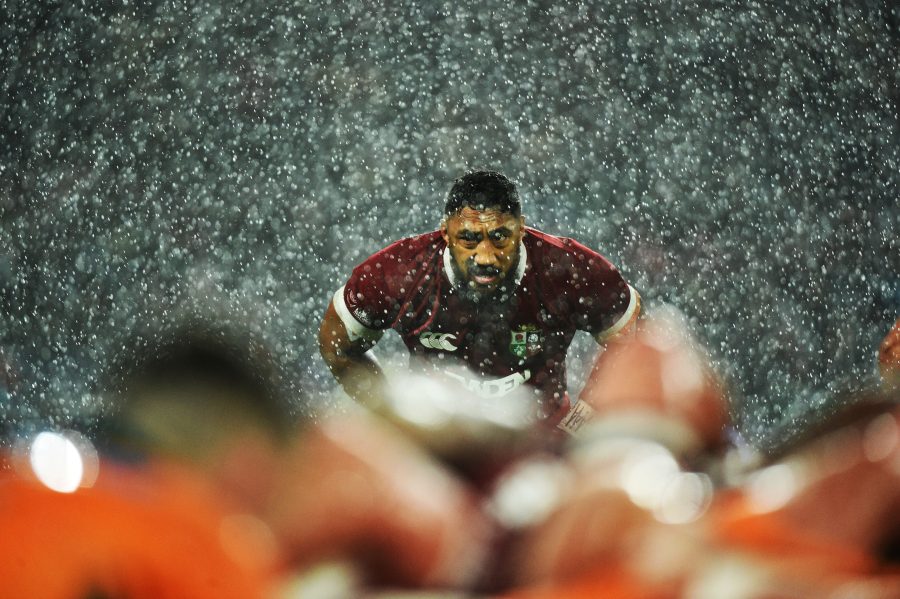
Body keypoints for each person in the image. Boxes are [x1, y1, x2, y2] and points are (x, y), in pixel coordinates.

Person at [319, 169, 641, 432]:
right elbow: (336, 345)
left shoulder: (569, 269)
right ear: (445, 234)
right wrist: (397, 418)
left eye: (499, 237)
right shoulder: (398, 274)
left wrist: (576, 427)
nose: (485, 257)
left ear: (521, 230)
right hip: (442, 449)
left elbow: (633, 341)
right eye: (469, 238)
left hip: (540, 449)